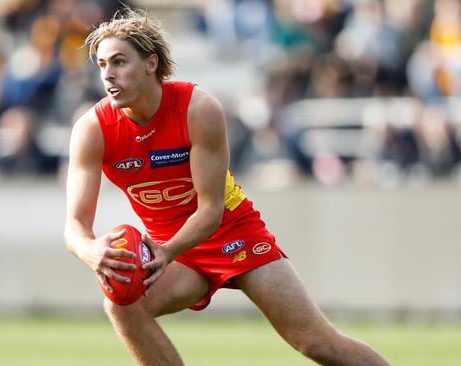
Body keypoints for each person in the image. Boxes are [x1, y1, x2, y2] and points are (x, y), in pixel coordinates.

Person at [64, 8, 391, 366]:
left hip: (233, 231)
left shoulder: (197, 108)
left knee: (316, 343)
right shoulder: (92, 129)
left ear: (151, 64)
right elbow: (75, 226)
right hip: (175, 254)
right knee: (120, 304)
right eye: (101, 65)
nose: (107, 75)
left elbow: (210, 210)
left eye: (119, 62)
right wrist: (91, 251)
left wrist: (168, 250)